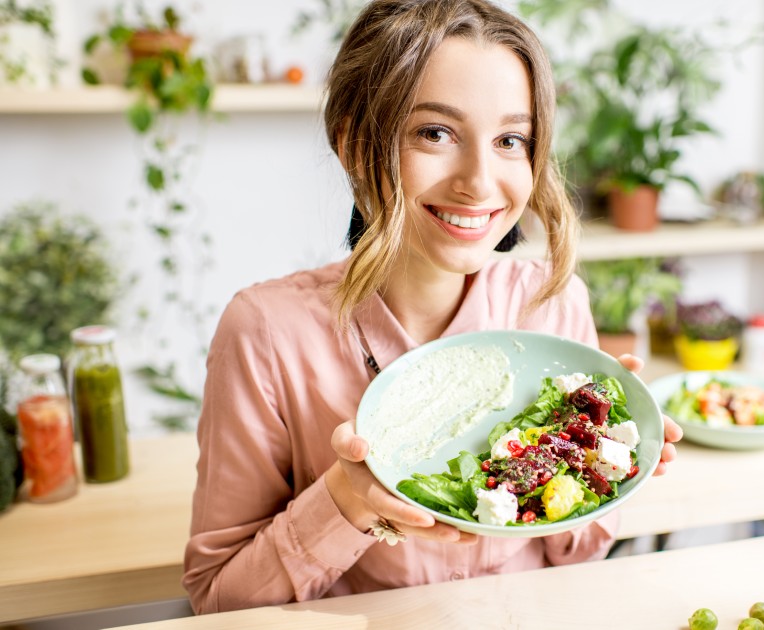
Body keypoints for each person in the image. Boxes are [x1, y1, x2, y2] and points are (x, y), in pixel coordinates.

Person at [182, 0, 683, 614]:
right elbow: (216, 603)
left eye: (510, 139)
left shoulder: (551, 303)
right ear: (351, 142)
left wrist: (602, 462)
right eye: (435, 133)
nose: (479, 180)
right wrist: (345, 499)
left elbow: (576, 555)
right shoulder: (266, 333)